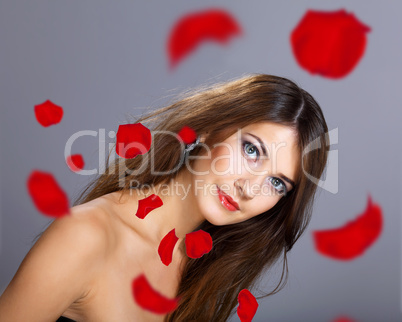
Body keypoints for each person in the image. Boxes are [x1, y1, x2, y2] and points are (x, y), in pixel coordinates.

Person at [0, 74, 329, 321]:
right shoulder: (87, 236)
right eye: (251, 150)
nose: (249, 187)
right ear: (209, 128)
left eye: (276, 182)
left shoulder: (209, 268)